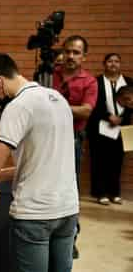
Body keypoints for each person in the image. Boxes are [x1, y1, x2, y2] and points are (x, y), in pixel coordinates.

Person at [0, 52, 79, 272]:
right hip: (68, 210)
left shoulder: (18, 107)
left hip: (34, 215)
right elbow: (36, 164)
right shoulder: (58, 99)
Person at [52, 35, 98, 259]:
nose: (71, 56)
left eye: (76, 52)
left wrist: (54, 104)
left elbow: (86, 111)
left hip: (73, 139)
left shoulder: (89, 81)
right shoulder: (51, 75)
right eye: (68, 51)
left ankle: (70, 239)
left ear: (84, 57)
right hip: (48, 137)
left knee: (70, 189)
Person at [87, 53, 133, 205]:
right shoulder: (96, 81)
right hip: (101, 127)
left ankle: (114, 193)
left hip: (122, 127)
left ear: (120, 64)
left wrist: (123, 116)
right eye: (110, 61)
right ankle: (100, 193)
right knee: (99, 161)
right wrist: (108, 116)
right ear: (104, 64)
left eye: (116, 61)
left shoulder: (128, 82)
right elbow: (93, 104)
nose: (113, 64)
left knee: (117, 161)